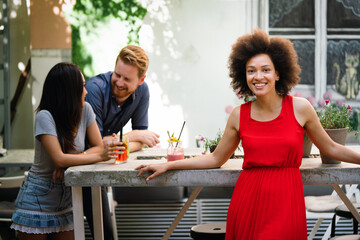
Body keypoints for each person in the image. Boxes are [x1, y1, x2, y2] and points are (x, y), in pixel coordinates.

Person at [136, 29, 360, 239]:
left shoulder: (300, 108)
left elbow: (330, 148)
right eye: (251, 71)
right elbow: (216, 158)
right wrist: (168, 164)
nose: (258, 76)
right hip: (249, 201)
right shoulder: (238, 115)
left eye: (265, 69)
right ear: (244, 76)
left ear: (278, 73)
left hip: (286, 201)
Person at [10, 63, 121, 240]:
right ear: (68, 91)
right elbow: (60, 159)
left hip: (67, 199)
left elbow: (98, 145)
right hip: (37, 199)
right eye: (82, 86)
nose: (86, 92)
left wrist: (70, 161)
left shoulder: (86, 110)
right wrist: (78, 159)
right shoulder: (44, 116)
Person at [84, 45, 160, 239]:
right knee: (103, 231)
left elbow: (142, 142)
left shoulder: (143, 92)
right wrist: (131, 137)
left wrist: (122, 141)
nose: (119, 82)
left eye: (127, 79)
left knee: (105, 228)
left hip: (105, 164)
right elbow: (99, 145)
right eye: (117, 74)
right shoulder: (95, 89)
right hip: (81, 162)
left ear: (141, 80)